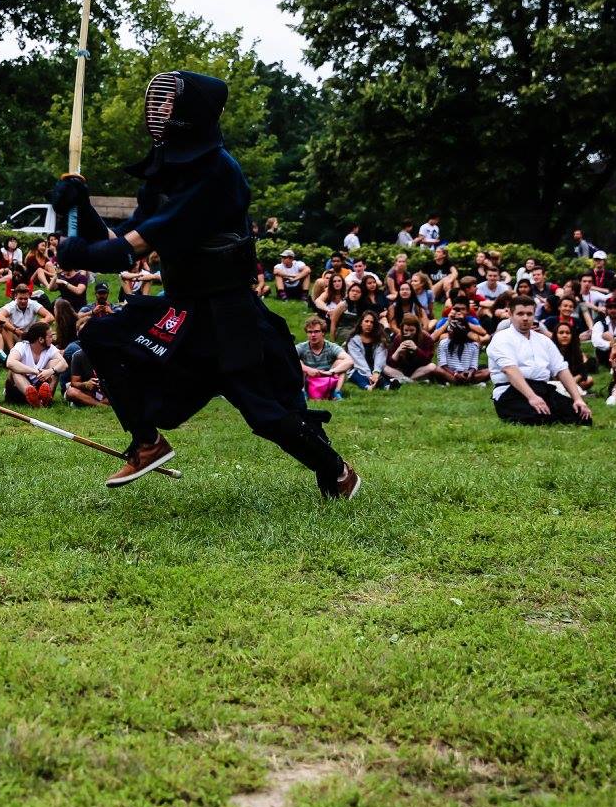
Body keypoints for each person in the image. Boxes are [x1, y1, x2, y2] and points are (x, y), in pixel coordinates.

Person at [54, 71, 358, 493]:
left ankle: (337, 473)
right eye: (155, 103)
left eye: (167, 104)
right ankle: (146, 443)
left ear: (190, 113)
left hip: (228, 317)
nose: (156, 111)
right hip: (182, 309)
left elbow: (137, 246)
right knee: (102, 334)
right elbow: (119, 238)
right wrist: (80, 209)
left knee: (265, 415)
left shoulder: (218, 174)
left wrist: (79, 253)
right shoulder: (165, 172)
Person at [487, 296, 592, 425]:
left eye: (529, 314)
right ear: (510, 314)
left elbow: (561, 369)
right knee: (538, 418)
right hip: (510, 391)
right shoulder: (501, 338)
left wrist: (577, 399)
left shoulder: (544, 340)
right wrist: (532, 397)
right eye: (520, 314)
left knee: (582, 416)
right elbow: (509, 369)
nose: (525, 318)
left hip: (542, 388)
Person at [5, 321, 66, 407]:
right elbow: (10, 363)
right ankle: (34, 400)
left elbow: (64, 364)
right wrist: (36, 372)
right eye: (50, 336)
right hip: (20, 389)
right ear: (41, 339)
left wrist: (50, 371)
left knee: (56, 363)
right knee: (14, 370)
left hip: (40, 384)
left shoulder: (50, 348)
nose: (52, 338)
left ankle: (46, 398)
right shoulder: (21, 346)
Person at [296, 315, 353, 400]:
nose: (313, 335)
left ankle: (337, 393)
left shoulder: (331, 346)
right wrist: (307, 369)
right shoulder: (301, 347)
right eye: (310, 332)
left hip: (328, 380)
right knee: (297, 362)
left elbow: (350, 361)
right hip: (308, 380)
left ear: (323, 333)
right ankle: (303, 393)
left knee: (341, 362)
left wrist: (331, 372)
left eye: (316, 331)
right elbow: (286, 358)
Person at [434, 305, 490, 385]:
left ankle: (461, 381)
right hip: (450, 373)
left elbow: (473, 366)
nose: (449, 331)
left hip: (466, 373)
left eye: (452, 330)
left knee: (488, 371)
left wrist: (470, 373)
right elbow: (442, 364)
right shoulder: (444, 343)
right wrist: (455, 374)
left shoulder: (474, 345)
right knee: (437, 369)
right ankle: (466, 383)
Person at [0, 283, 53, 352]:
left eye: (25, 299)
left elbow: (50, 317)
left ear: (29, 296)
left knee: (44, 322)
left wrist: (38, 324)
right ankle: (12, 351)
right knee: (5, 322)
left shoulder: (33, 304)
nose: (23, 301)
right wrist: (15, 330)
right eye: (20, 299)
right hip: (15, 335)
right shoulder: (11, 305)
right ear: (15, 297)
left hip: (31, 335)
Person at [345, 310, 393, 391]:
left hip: (375, 367)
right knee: (356, 375)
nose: (369, 324)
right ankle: (368, 387)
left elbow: (380, 357)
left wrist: (376, 372)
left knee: (382, 372)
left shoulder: (379, 339)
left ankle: (386, 386)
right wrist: (369, 375)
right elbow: (358, 360)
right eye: (366, 321)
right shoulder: (353, 340)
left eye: (372, 322)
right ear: (361, 323)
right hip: (358, 368)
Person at [384, 315, 437, 383]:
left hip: (419, 370)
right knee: (385, 368)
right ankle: (408, 380)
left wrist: (416, 349)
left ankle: (407, 380)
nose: (408, 333)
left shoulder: (426, 337)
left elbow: (427, 360)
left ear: (417, 329)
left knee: (432, 366)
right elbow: (390, 363)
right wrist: (398, 351)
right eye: (406, 330)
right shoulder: (398, 338)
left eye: (412, 330)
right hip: (401, 371)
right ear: (402, 329)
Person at [551, 321, 592, 392]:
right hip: (555, 382)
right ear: (556, 335)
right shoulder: (550, 350)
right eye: (561, 333)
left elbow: (582, 372)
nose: (564, 335)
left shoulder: (576, 350)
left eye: (568, 333)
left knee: (589, 380)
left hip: (573, 380)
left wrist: (573, 381)